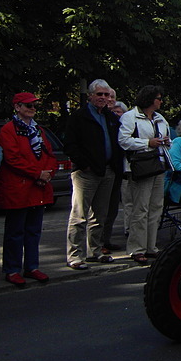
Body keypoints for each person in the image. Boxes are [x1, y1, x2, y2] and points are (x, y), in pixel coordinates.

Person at [0, 92, 57, 287]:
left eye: (34, 106)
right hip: (19, 189)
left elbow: (49, 152)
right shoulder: (8, 130)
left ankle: (32, 266)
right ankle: (12, 269)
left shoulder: (38, 130)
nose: (32, 109)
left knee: (33, 230)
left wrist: (48, 173)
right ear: (17, 107)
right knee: (15, 232)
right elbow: (13, 159)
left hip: (38, 188)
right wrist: (37, 173)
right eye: (28, 106)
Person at [64, 79, 123, 269]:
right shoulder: (79, 117)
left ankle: (95, 252)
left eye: (106, 95)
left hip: (108, 171)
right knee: (79, 215)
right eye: (99, 94)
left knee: (100, 215)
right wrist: (84, 164)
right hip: (86, 173)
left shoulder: (110, 117)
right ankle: (75, 255)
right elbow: (70, 144)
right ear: (90, 96)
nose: (103, 98)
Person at [118, 85, 171, 264]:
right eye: (158, 98)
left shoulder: (160, 118)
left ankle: (151, 246)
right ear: (149, 99)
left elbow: (166, 139)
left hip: (159, 165)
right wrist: (148, 143)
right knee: (140, 208)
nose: (161, 101)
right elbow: (124, 141)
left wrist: (164, 142)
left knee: (156, 207)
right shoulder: (130, 117)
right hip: (141, 166)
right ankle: (136, 248)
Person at [106, 100, 130, 248]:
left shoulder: (126, 126)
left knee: (123, 203)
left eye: (118, 112)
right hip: (109, 169)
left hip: (124, 170)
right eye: (114, 112)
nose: (116, 115)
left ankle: (127, 229)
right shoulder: (109, 125)